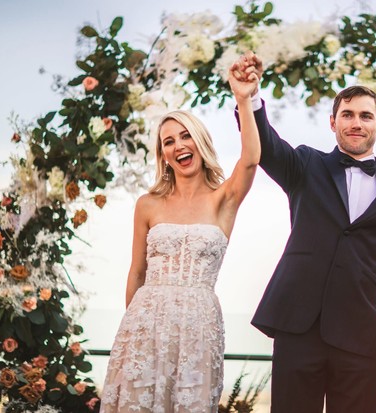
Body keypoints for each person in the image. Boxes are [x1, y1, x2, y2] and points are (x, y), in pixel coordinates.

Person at [230, 53, 376, 413]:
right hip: (299, 328)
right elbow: (266, 146)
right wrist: (248, 99)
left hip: (360, 335)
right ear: (332, 122)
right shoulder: (305, 165)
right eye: (347, 114)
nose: (356, 122)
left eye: (365, 116)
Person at [99, 67, 260, 412]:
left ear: (200, 143)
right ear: (164, 156)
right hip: (144, 327)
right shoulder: (148, 204)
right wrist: (134, 336)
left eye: (185, 136)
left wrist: (243, 100)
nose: (178, 146)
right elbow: (137, 273)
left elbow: (250, 162)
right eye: (168, 141)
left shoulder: (223, 200)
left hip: (199, 327)